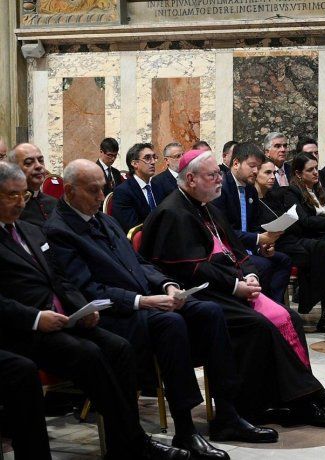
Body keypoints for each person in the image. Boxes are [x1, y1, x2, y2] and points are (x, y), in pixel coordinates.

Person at [45, 159, 277, 457]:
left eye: (103, 189)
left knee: (208, 311)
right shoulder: (59, 231)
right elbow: (87, 289)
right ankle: (185, 428)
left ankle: (228, 413)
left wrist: (167, 285)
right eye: (92, 191)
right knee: (171, 324)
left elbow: (140, 263)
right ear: (69, 190)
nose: (100, 197)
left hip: (145, 300)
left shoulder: (103, 219)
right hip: (112, 312)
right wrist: (143, 301)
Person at [140, 149, 325, 425]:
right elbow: (191, 268)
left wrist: (251, 276)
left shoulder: (207, 207)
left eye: (219, 174)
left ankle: (304, 395)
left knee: (288, 317)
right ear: (191, 179)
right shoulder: (172, 213)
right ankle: (286, 401)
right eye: (213, 175)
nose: (220, 179)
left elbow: (238, 252)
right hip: (199, 293)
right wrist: (235, 287)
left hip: (224, 285)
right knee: (259, 325)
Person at [0, 161, 189, 459]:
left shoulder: (28, 230)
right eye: (11, 195)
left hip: (63, 318)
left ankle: (122, 444)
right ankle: (134, 442)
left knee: (119, 348)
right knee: (91, 355)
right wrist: (36, 318)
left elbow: (61, 279)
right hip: (23, 327)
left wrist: (82, 308)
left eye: (23, 195)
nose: (20, 202)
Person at [279, 152, 325, 333]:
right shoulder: (292, 192)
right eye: (310, 170)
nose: (315, 173)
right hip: (304, 238)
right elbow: (305, 221)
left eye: (315, 169)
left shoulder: (320, 189)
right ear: (298, 173)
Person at [212, 143, 291, 303]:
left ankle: (276, 306)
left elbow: (253, 226)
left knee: (283, 260)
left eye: (258, 167)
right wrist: (259, 239)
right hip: (228, 251)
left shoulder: (250, 190)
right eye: (252, 166)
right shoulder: (221, 190)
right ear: (236, 163)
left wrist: (263, 246)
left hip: (247, 248)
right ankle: (261, 307)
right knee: (263, 265)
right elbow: (224, 232)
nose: (255, 171)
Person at [111, 142, 164, 232]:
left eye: (154, 157)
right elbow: (132, 228)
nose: (153, 162)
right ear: (135, 164)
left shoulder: (158, 186)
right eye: (147, 158)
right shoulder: (123, 192)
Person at [6, 143, 57, 227]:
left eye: (41, 160)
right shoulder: (10, 208)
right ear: (14, 168)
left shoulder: (54, 202)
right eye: (29, 162)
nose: (38, 166)